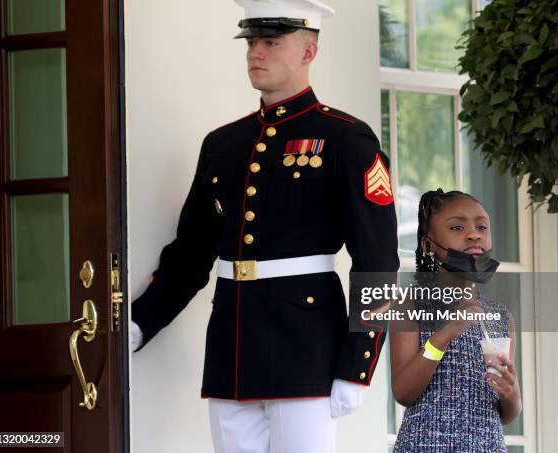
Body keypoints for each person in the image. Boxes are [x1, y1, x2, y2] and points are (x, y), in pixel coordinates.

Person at [130, 1, 400, 452]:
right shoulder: (222, 144)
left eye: (272, 42)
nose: (256, 53)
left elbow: (376, 261)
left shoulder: (345, 138)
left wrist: (357, 364)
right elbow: (193, 251)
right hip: (232, 347)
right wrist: (141, 321)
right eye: (252, 42)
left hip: (307, 347)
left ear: (308, 52)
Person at [390, 189, 522, 453]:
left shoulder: (500, 316)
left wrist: (512, 393)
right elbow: (403, 392)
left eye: (481, 226)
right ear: (428, 245)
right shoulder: (410, 305)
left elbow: (506, 414)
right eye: (458, 227)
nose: (474, 233)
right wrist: (445, 333)